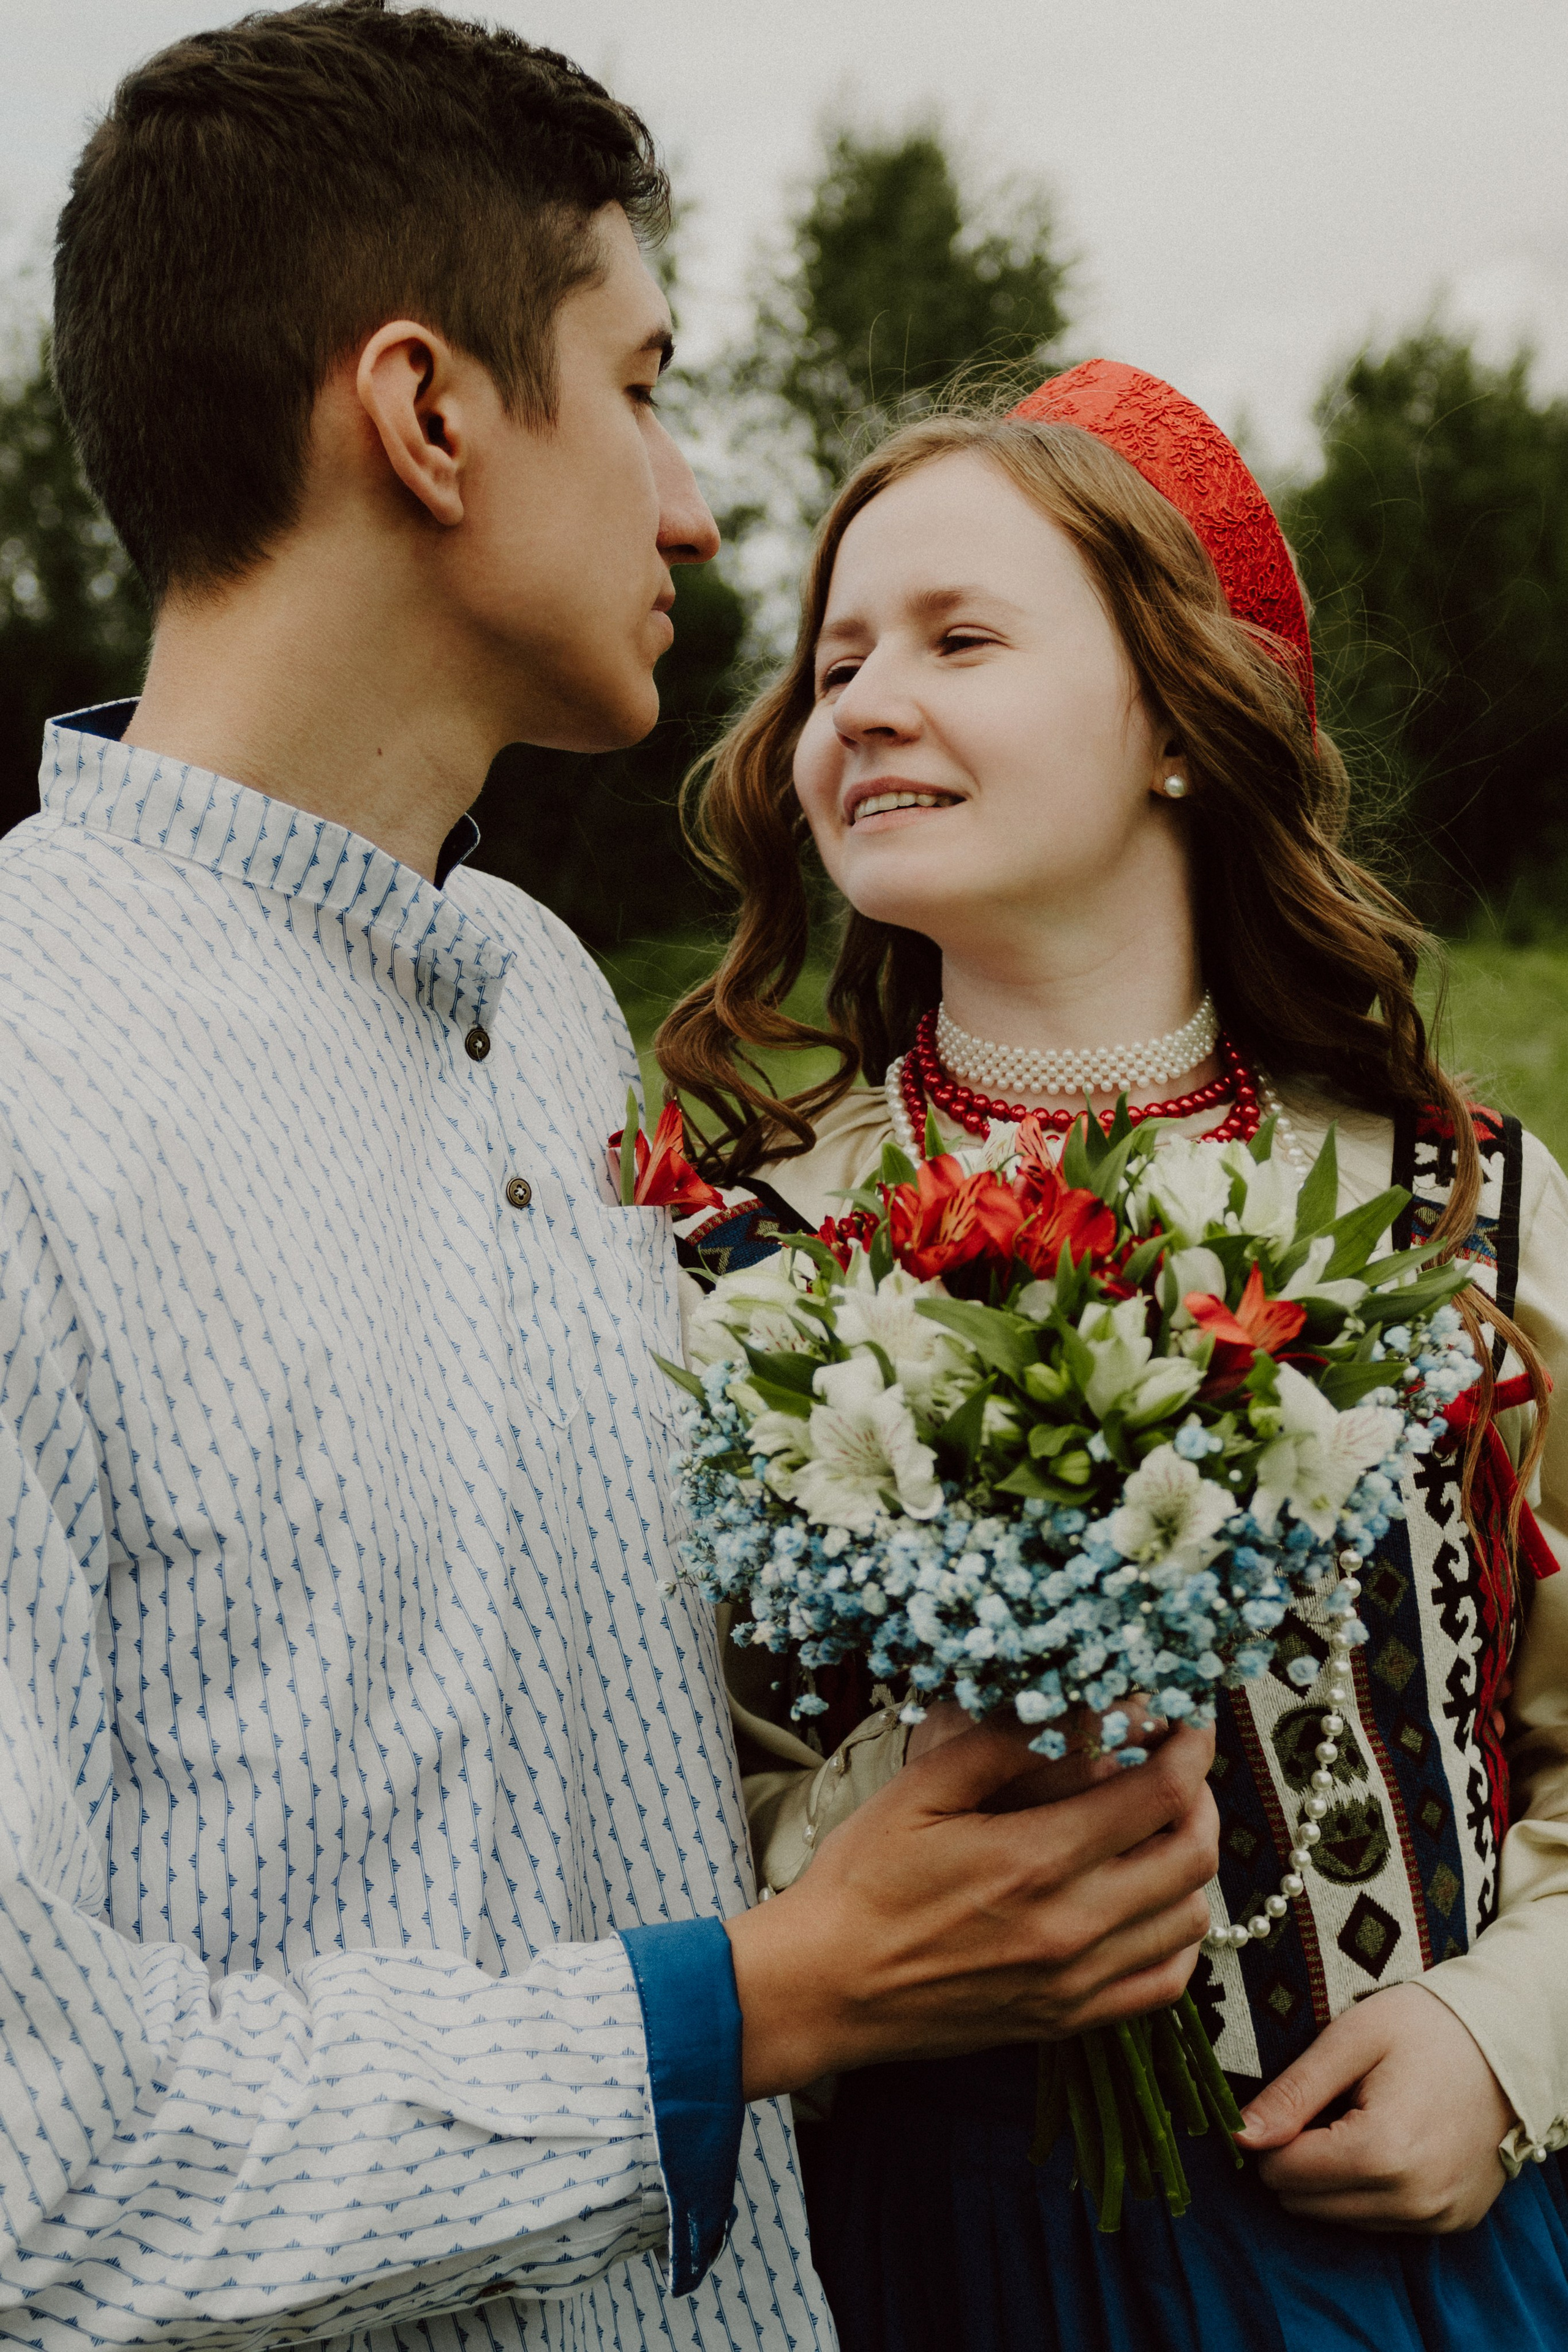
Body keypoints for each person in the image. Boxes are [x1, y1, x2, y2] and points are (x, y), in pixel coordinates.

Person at [0, 11, 1224, 2351]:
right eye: (647, 383)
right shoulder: (26, 1090)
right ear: (429, 416)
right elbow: (35, 2182)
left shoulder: (547, 998)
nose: (697, 502)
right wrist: (757, 2004)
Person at [656, 360, 1568, 2350]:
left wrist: (1509, 2035)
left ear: (1179, 720)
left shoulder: (1465, 1205)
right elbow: (646, 1795)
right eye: (833, 664)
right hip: (908, 2250)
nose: (866, 700)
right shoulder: (721, 1248)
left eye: (960, 638)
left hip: (1392, 2238)